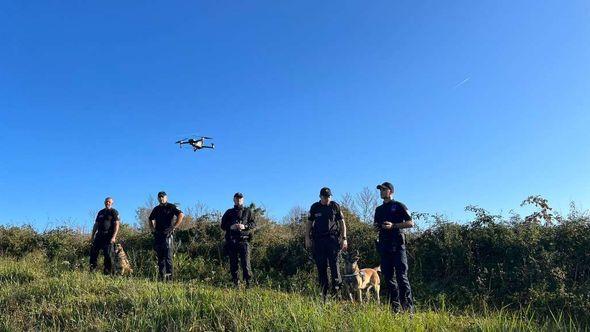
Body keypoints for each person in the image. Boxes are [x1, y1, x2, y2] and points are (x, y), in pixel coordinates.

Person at [373, 182, 415, 313]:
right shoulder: (378, 210)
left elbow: (410, 223)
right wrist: (378, 227)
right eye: (380, 190)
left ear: (390, 191)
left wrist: (394, 226)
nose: (381, 192)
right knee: (389, 278)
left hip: (398, 246)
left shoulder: (398, 206)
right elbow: (376, 225)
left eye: (383, 189)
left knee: (402, 277)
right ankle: (395, 308)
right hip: (384, 246)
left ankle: (408, 309)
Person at [305, 187, 348, 299]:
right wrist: (307, 238)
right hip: (318, 241)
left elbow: (342, 223)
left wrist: (344, 238)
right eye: (325, 197)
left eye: (329, 197)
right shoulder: (315, 207)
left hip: (332, 240)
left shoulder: (335, 206)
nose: (327, 199)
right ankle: (324, 293)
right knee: (321, 267)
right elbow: (309, 223)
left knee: (335, 266)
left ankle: (337, 293)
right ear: (320, 197)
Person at [220, 192, 256, 288]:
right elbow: (222, 225)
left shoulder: (248, 211)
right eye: (237, 198)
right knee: (233, 264)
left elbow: (253, 224)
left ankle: (249, 285)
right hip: (232, 241)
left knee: (246, 264)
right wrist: (231, 227)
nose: (238, 200)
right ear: (234, 199)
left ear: (243, 199)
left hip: (244, 241)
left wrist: (245, 226)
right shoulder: (229, 212)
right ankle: (235, 284)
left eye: (240, 198)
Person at [148, 191, 184, 281]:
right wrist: (152, 229)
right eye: (159, 197)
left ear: (166, 197)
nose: (161, 198)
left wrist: (174, 227)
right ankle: (162, 278)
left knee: (168, 257)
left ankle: (170, 279)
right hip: (158, 235)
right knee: (160, 258)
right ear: (158, 198)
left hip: (168, 234)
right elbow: (150, 219)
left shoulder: (171, 206)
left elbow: (181, 215)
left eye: (163, 197)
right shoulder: (156, 209)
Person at [90, 197, 120, 274]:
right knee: (93, 253)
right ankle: (92, 271)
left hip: (109, 236)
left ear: (112, 203)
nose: (108, 203)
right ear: (104, 202)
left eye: (109, 202)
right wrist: (92, 236)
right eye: (106, 201)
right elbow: (96, 224)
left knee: (108, 255)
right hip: (99, 235)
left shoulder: (114, 212)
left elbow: (117, 224)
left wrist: (114, 237)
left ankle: (107, 273)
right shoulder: (100, 212)